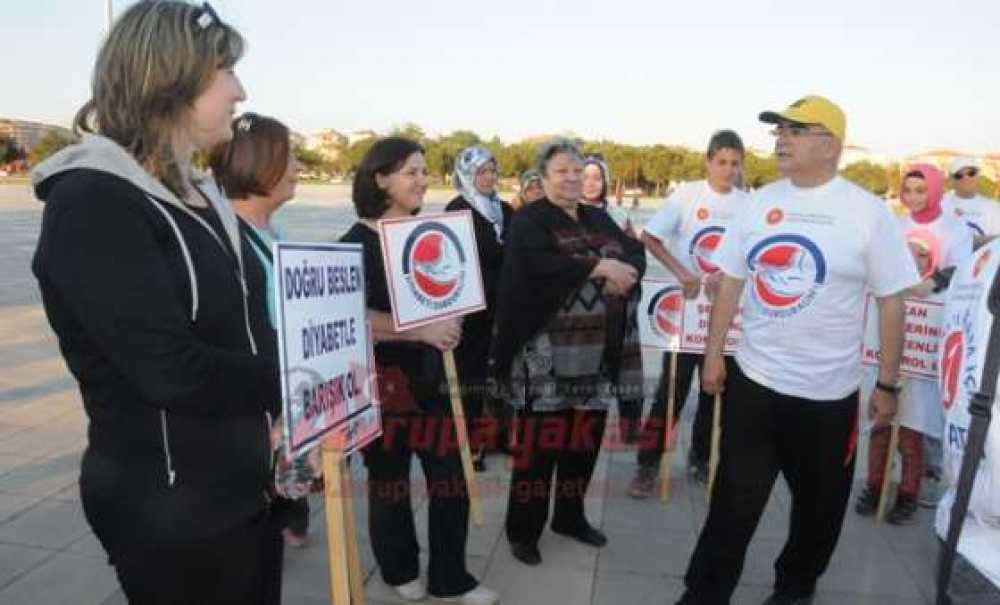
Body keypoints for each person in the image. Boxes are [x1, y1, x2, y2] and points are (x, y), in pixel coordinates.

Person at [30, 3, 284, 603]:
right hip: (173, 510)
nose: (241, 91)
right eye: (226, 71)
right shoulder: (94, 202)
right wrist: (301, 381)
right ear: (173, 79)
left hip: (245, 491)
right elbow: (172, 371)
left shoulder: (199, 194)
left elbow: (244, 331)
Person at [676, 96, 920, 605]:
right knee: (732, 504)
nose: (781, 138)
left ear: (830, 145)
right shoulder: (758, 202)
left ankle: (793, 591)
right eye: (778, 130)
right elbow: (731, 283)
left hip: (828, 399)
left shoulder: (868, 214)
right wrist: (716, 355)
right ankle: (703, 594)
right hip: (755, 385)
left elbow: (892, 304)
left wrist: (889, 384)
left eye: (796, 129)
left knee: (818, 510)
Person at [339, 137, 499, 605]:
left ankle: (450, 577)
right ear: (381, 177)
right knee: (389, 481)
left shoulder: (427, 235)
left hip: (434, 380)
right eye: (411, 171)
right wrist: (418, 331)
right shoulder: (354, 245)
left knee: (451, 479)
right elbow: (349, 320)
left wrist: (451, 322)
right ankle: (398, 566)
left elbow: (447, 297)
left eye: (425, 171)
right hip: (382, 385)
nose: (423, 180)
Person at [490, 139, 646, 566]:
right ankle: (523, 530)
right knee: (539, 451)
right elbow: (540, 265)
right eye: (562, 171)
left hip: (596, 354)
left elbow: (633, 250)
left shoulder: (598, 217)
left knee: (584, 443)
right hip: (546, 357)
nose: (573, 178)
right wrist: (600, 267)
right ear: (543, 177)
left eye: (578, 170)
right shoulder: (531, 220)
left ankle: (570, 518)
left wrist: (625, 273)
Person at [208, 112, 318, 551]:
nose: (296, 168)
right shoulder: (224, 240)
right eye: (288, 158)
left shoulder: (273, 232)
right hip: (251, 424)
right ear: (258, 163)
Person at [628, 130, 748, 498]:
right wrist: (683, 272)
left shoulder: (749, 203)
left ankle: (701, 458)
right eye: (721, 162)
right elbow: (650, 237)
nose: (727, 170)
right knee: (671, 391)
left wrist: (727, 279)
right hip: (687, 316)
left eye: (734, 163)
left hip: (727, 317)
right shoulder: (687, 195)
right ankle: (647, 465)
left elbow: (752, 256)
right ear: (708, 161)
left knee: (716, 390)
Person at [855, 164, 973, 524]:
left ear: (935, 190)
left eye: (921, 190)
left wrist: (931, 282)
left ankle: (908, 492)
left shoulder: (956, 229)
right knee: (881, 421)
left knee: (913, 427)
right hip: (890, 333)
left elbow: (965, 269)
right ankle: (875, 485)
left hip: (927, 336)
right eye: (908, 190)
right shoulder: (895, 225)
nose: (913, 197)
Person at [446, 146, 514, 471]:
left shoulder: (505, 210)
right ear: (466, 175)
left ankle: (500, 436)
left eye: (492, 171)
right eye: (481, 172)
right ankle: (470, 444)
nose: (488, 177)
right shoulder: (456, 210)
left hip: (504, 309)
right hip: (472, 312)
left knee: (502, 374)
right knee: (471, 378)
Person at [581, 154, 643, 443]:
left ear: (605, 181)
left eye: (597, 177)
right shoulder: (567, 214)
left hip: (618, 303)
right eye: (585, 176)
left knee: (624, 365)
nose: (590, 183)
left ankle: (630, 427)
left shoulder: (618, 216)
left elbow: (636, 254)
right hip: (583, 309)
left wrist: (625, 281)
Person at [942, 157, 1000, 249]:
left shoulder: (993, 208)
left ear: (978, 175)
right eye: (959, 175)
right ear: (952, 180)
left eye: (971, 173)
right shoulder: (940, 204)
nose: (966, 178)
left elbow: (997, 244)